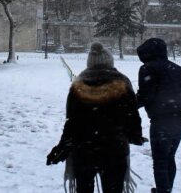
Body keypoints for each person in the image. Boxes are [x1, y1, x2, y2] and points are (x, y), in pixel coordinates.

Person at [47, 42, 144, 193]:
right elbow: (132, 115)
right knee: (113, 188)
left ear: (89, 62)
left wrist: (63, 146)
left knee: (84, 188)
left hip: (84, 148)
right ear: (110, 61)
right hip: (114, 147)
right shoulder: (122, 82)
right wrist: (135, 136)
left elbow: (72, 121)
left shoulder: (79, 83)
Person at [136, 38, 181, 193]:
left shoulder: (147, 69)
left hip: (160, 122)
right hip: (179, 122)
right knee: (169, 157)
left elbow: (146, 96)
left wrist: (128, 106)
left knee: (160, 161)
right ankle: (166, 189)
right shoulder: (178, 69)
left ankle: (163, 190)